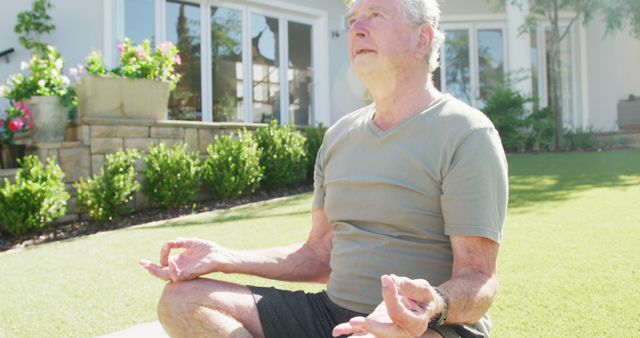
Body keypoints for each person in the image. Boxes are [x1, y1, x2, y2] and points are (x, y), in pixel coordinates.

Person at [140, 0, 508, 337]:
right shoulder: (339, 137)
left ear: (422, 39)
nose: (357, 29)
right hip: (332, 315)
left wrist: (434, 305)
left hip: (421, 327)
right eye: (352, 21)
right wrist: (224, 258)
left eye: (375, 15)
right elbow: (318, 255)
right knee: (182, 300)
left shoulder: (466, 133)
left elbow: (479, 278)